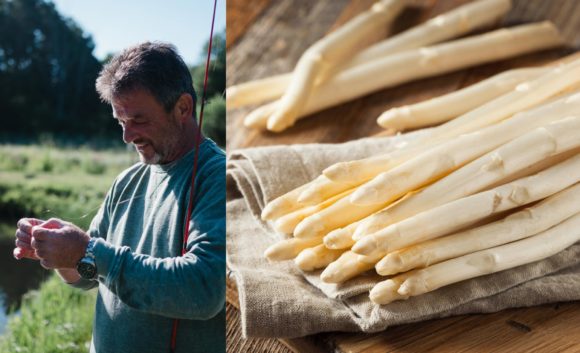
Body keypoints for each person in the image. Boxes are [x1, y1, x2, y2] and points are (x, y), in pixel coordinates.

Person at [14, 42, 225, 353]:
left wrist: (87, 250)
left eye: (138, 120)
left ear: (182, 108)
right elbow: (89, 273)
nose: (127, 136)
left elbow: (205, 288)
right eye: (121, 122)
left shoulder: (218, 176)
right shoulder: (127, 180)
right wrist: (58, 250)